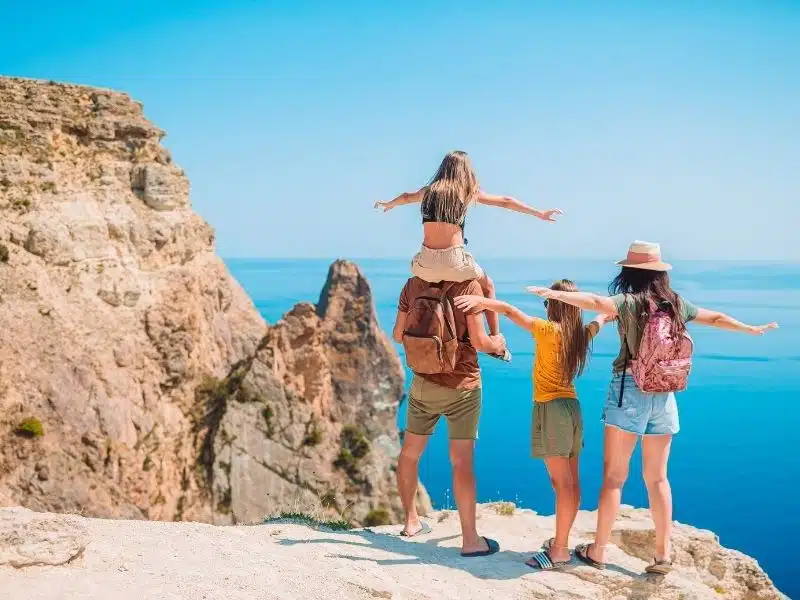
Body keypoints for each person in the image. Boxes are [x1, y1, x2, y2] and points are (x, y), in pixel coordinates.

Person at [527, 241, 779, 575]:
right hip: (665, 393)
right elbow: (715, 317)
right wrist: (750, 329)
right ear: (661, 272)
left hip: (629, 392)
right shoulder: (675, 303)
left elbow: (594, 302)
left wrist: (556, 295)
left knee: (614, 479)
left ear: (628, 272)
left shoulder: (630, 301)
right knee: (658, 479)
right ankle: (662, 556)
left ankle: (598, 551)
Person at [454, 281, 614, 570]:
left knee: (560, 483)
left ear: (553, 306)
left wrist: (482, 303)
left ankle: (560, 551)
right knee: (572, 482)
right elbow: (596, 324)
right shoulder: (579, 335)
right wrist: (604, 315)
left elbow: (513, 313)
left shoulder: (549, 330)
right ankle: (560, 542)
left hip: (551, 410)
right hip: (572, 409)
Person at [376, 150, 562, 361]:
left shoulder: (428, 191)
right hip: (455, 261)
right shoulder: (465, 191)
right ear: (465, 171)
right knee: (488, 285)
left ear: (443, 169)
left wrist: (389, 204)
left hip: (425, 262)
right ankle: (496, 339)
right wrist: (539, 213)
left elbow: (406, 197)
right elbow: (505, 200)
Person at [392, 275, 506, 557]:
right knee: (461, 461)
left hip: (423, 383)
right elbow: (480, 342)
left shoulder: (413, 284)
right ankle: (470, 540)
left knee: (409, 454)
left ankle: (411, 522)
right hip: (463, 386)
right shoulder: (468, 287)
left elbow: (398, 334)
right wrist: (498, 342)